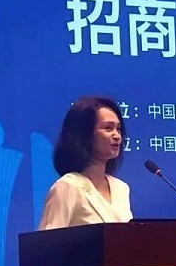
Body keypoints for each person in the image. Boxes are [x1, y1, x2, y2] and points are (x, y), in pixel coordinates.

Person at [38, 96, 133, 230]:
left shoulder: (121, 189)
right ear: (84, 134)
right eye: (108, 128)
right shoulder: (68, 186)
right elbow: (47, 241)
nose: (117, 136)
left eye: (118, 129)